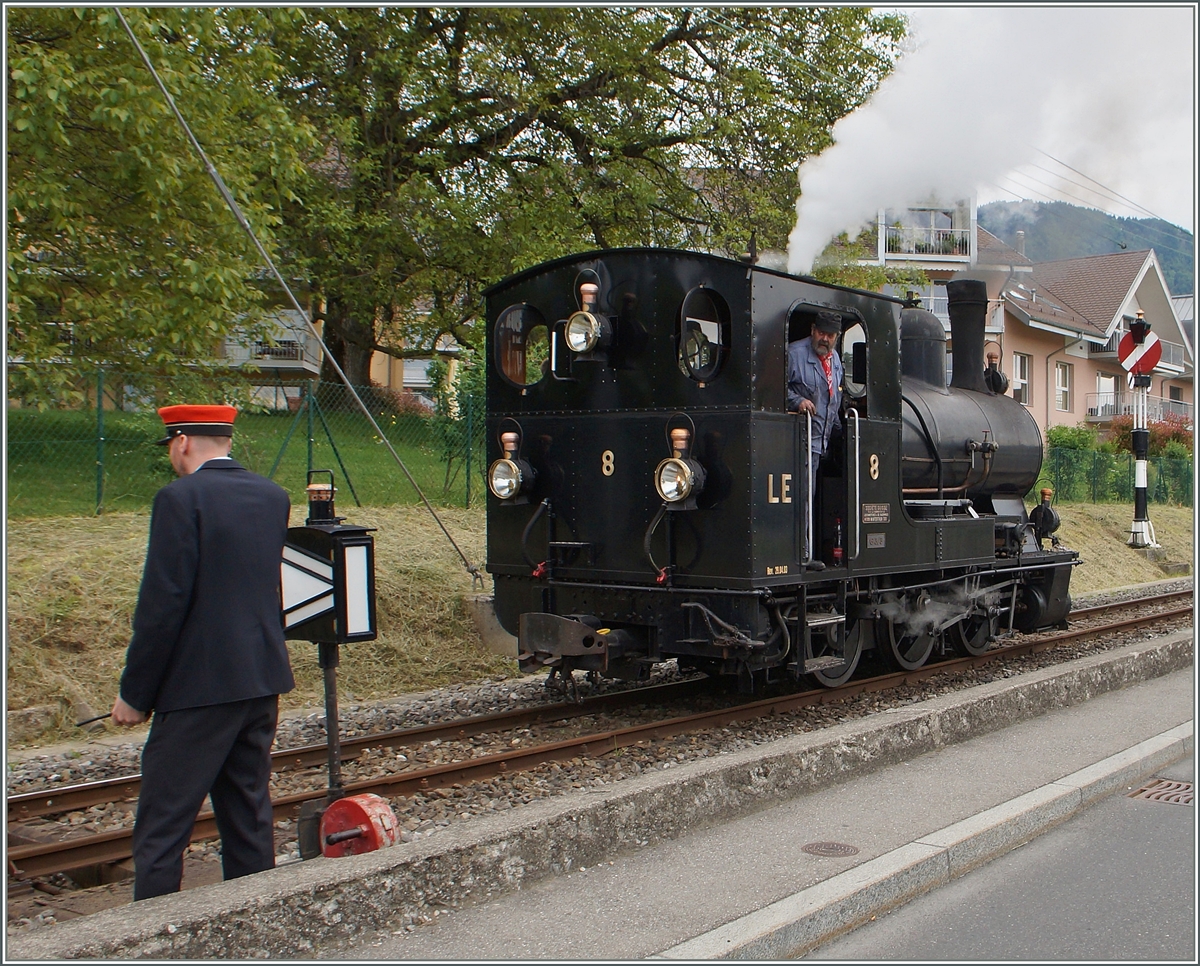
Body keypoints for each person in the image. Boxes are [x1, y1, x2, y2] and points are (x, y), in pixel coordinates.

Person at [111, 404, 294, 901]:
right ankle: (255, 919)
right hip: (260, 679)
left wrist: (135, 693)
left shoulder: (178, 499)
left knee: (163, 825)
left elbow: (162, 605)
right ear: (226, 439)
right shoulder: (272, 497)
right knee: (248, 815)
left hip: (198, 688)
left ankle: (153, 935)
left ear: (183, 441)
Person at [787, 310, 844, 467]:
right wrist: (797, 401)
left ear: (836, 337)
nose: (824, 339)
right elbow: (770, 388)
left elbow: (832, 398)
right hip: (797, 442)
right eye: (821, 333)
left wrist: (841, 432)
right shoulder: (794, 354)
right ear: (813, 330)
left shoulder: (836, 361)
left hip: (820, 443)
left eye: (830, 335)